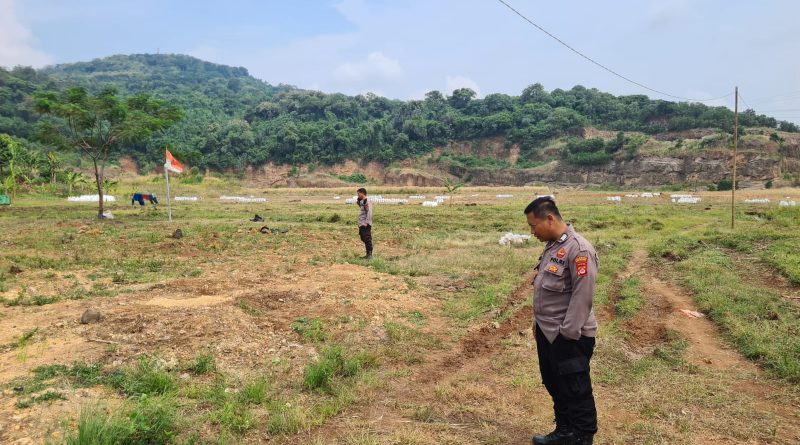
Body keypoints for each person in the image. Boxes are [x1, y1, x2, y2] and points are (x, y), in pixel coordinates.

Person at [525, 196, 598, 445]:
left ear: (549, 219)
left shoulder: (579, 250)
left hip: (568, 335)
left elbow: (583, 296)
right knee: (555, 383)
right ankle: (565, 431)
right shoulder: (554, 246)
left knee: (576, 388)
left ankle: (582, 437)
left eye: (533, 225)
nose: (532, 232)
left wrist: (567, 334)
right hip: (548, 332)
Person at [356, 187, 373, 259]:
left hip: (365, 223)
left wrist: (367, 222)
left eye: (358, 194)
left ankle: (369, 254)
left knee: (367, 238)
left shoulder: (367, 200)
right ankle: (367, 254)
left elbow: (369, 212)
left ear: (362, 193)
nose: (358, 195)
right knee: (363, 237)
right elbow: (363, 209)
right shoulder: (362, 201)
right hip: (361, 222)